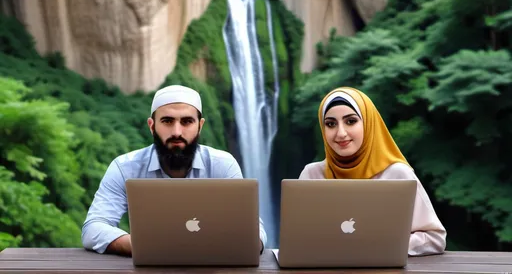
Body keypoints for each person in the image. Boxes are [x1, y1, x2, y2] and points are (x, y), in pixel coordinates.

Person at [82, 85, 267, 256]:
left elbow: (254, 230)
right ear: (152, 126)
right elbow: (93, 228)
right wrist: (144, 247)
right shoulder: (125, 168)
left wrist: (241, 244)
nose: (177, 131)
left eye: (186, 121)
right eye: (167, 121)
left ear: (200, 126)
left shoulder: (223, 165)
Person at [298, 86, 447, 257]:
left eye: (351, 121)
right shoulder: (312, 175)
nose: (341, 133)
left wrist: (379, 247)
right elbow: (296, 238)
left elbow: (435, 238)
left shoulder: (398, 174)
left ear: (368, 123)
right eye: (331, 124)